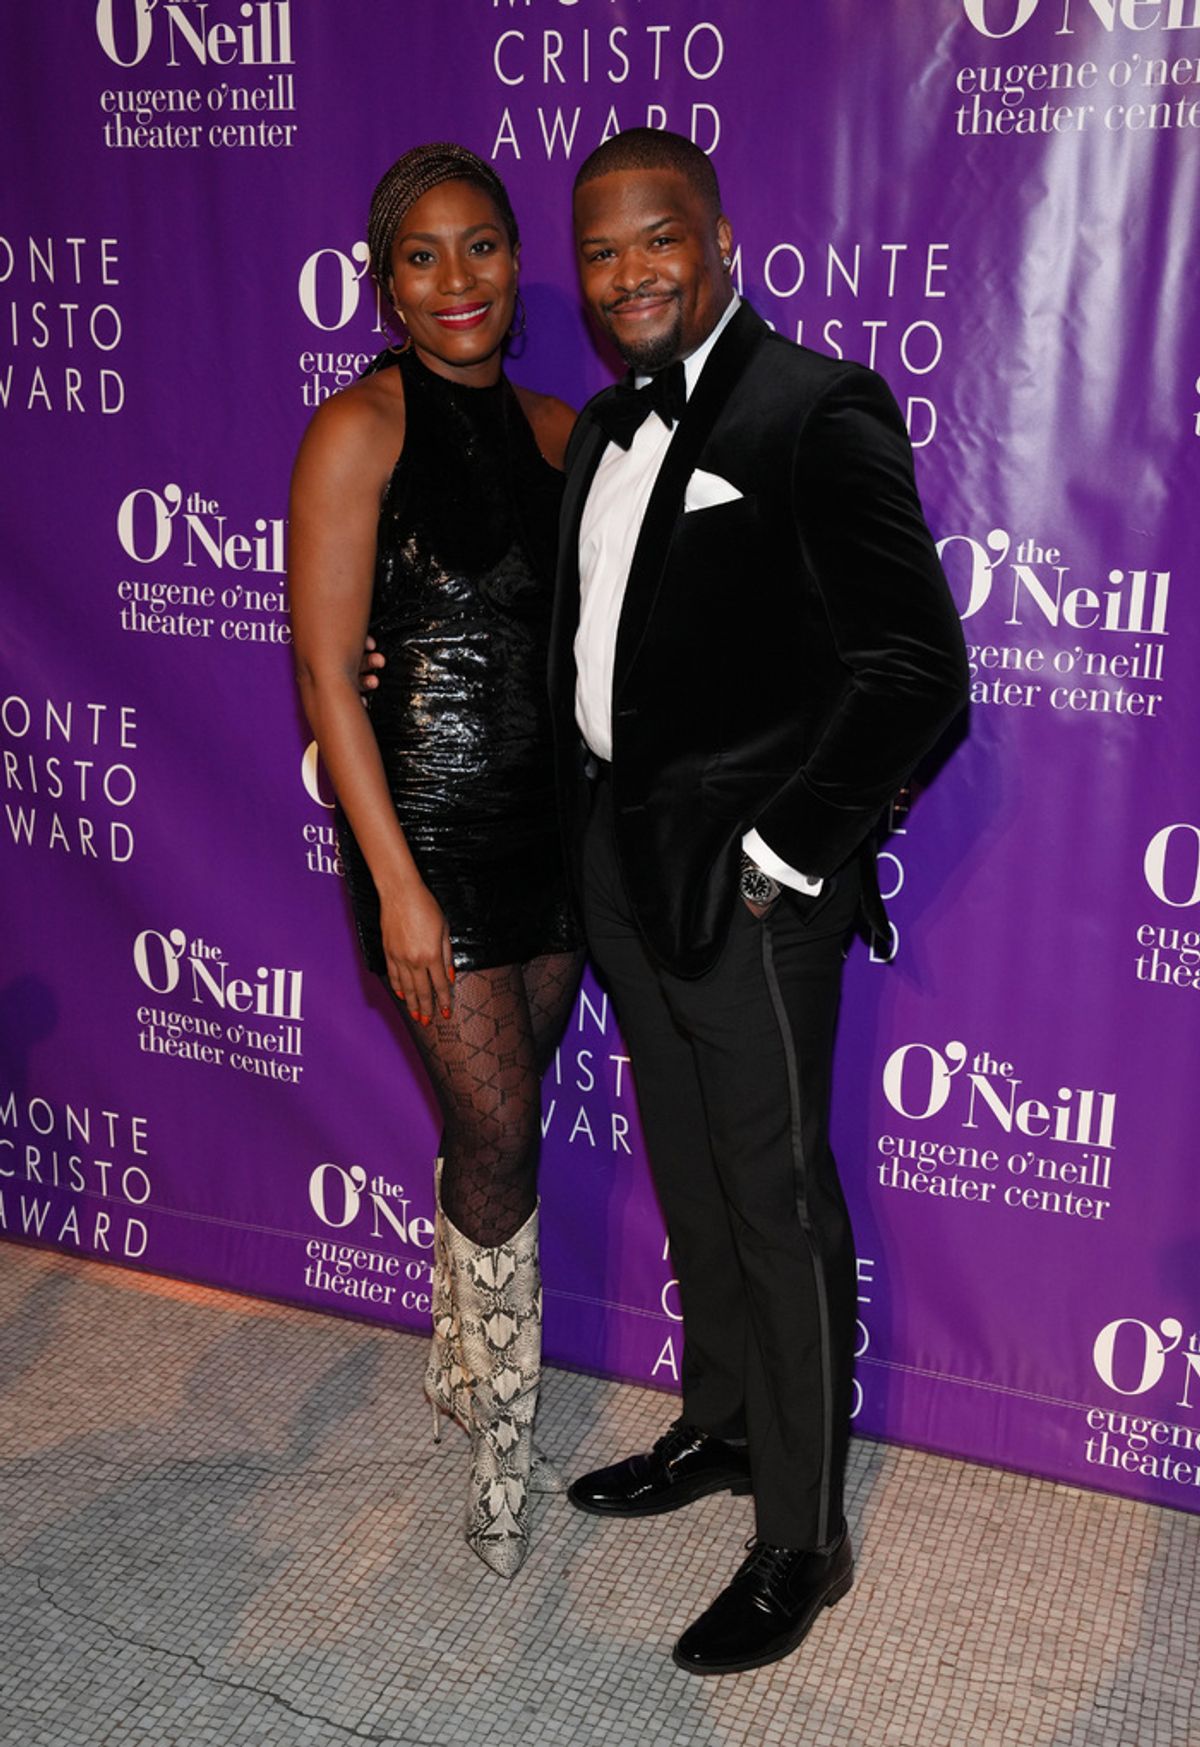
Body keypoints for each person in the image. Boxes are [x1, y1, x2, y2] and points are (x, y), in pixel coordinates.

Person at [548, 130, 970, 1674]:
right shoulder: (599, 428)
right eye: (599, 252)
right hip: (621, 868)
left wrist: (790, 849)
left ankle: (801, 1531)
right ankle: (721, 1428)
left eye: (656, 239)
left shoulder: (816, 408)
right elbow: (598, 647)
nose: (629, 273)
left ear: (721, 239)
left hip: (752, 887)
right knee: (691, 1166)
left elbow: (918, 668)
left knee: (777, 1199)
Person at [289, 142, 584, 1579]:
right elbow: (333, 681)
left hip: (558, 840)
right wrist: (398, 884)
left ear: (517, 264)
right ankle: (505, 1452)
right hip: (434, 848)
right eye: (422, 253)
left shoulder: (560, 430)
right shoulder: (356, 431)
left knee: (494, 1132)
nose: (455, 279)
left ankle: (464, 1363)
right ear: (385, 281)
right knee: (501, 1138)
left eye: (482, 247)